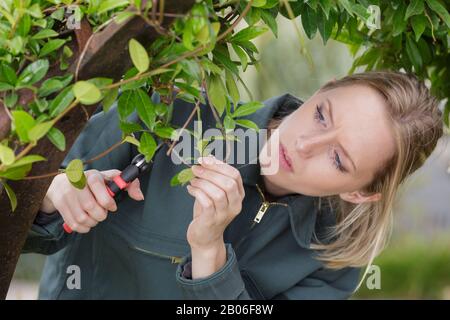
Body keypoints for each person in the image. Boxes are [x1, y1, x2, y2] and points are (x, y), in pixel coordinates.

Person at [23, 70, 443, 299]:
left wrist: (209, 256)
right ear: (322, 90)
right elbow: (25, 212)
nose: (304, 144)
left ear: (359, 192)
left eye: (337, 158)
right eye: (321, 115)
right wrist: (52, 193)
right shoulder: (180, 108)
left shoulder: (334, 260)